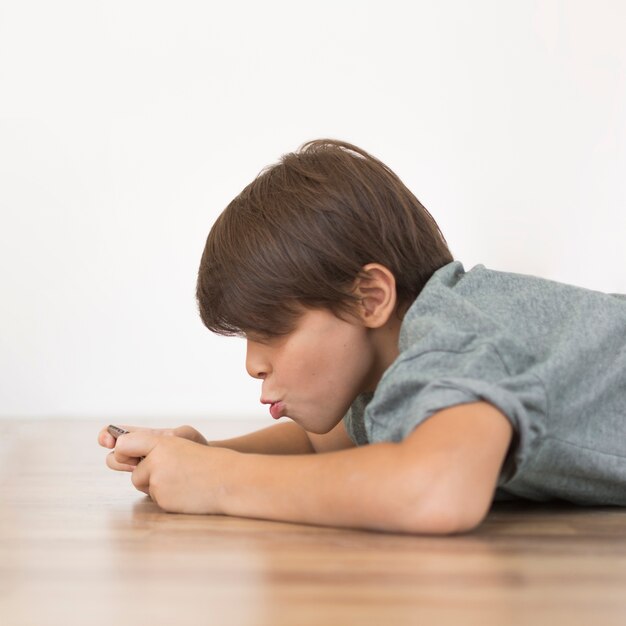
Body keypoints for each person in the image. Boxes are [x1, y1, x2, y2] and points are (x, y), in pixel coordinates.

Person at [98, 138, 626, 535]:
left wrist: (218, 481)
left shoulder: (454, 342)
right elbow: (327, 442)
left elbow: (437, 490)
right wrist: (204, 456)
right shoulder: (398, 371)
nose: (253, 364)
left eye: (271, 332)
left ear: (369, 297)